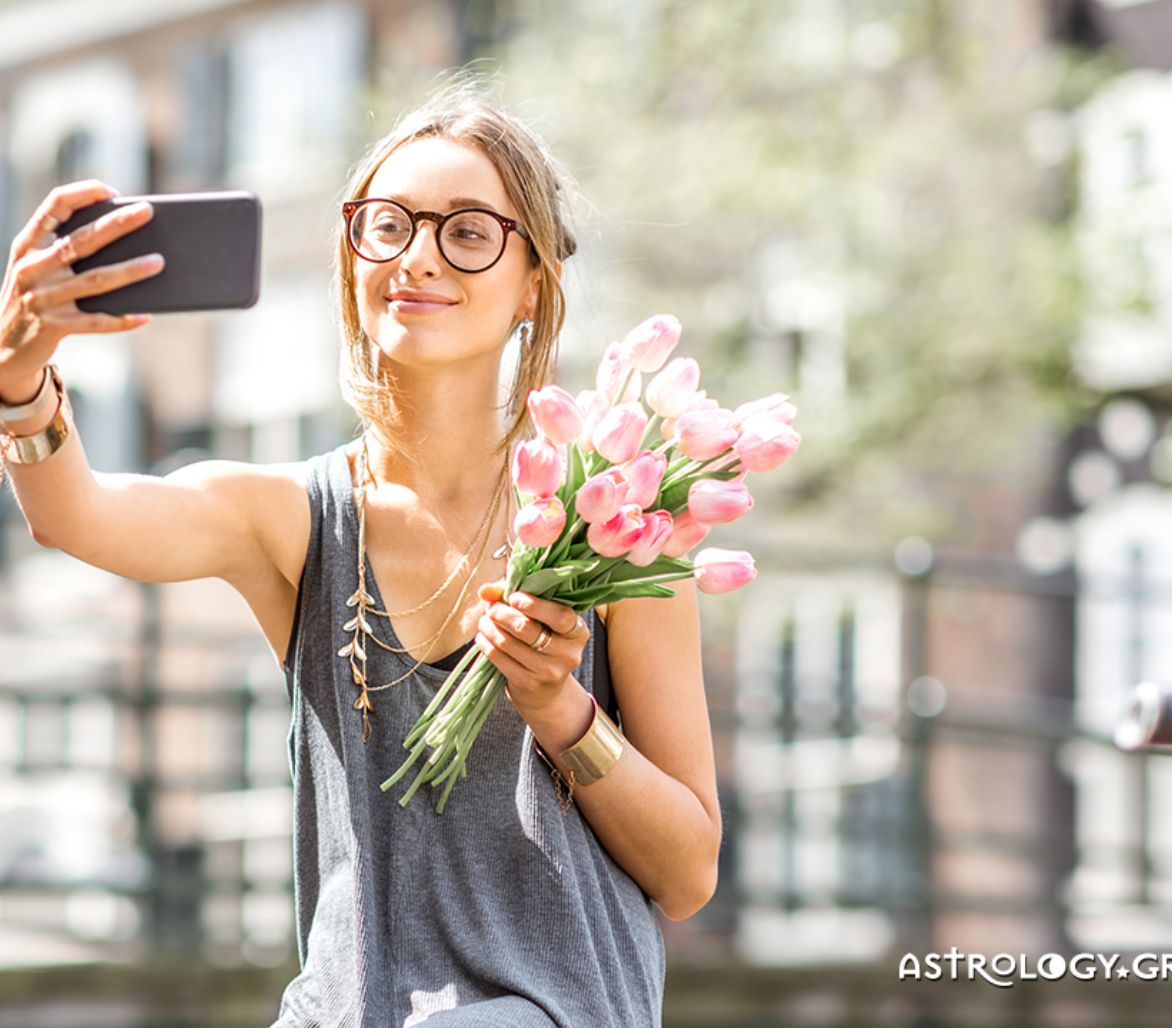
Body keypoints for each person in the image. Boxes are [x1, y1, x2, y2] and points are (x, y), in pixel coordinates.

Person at [0, 80, 721, 1027]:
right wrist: (18, 375)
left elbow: (687, 873)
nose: (419, 257)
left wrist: (562, 711)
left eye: (467, 232)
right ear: (352, 260)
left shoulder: (614, 519)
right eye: (389, 226)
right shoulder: (295, 518)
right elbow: (77, 516)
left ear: (532, 282)